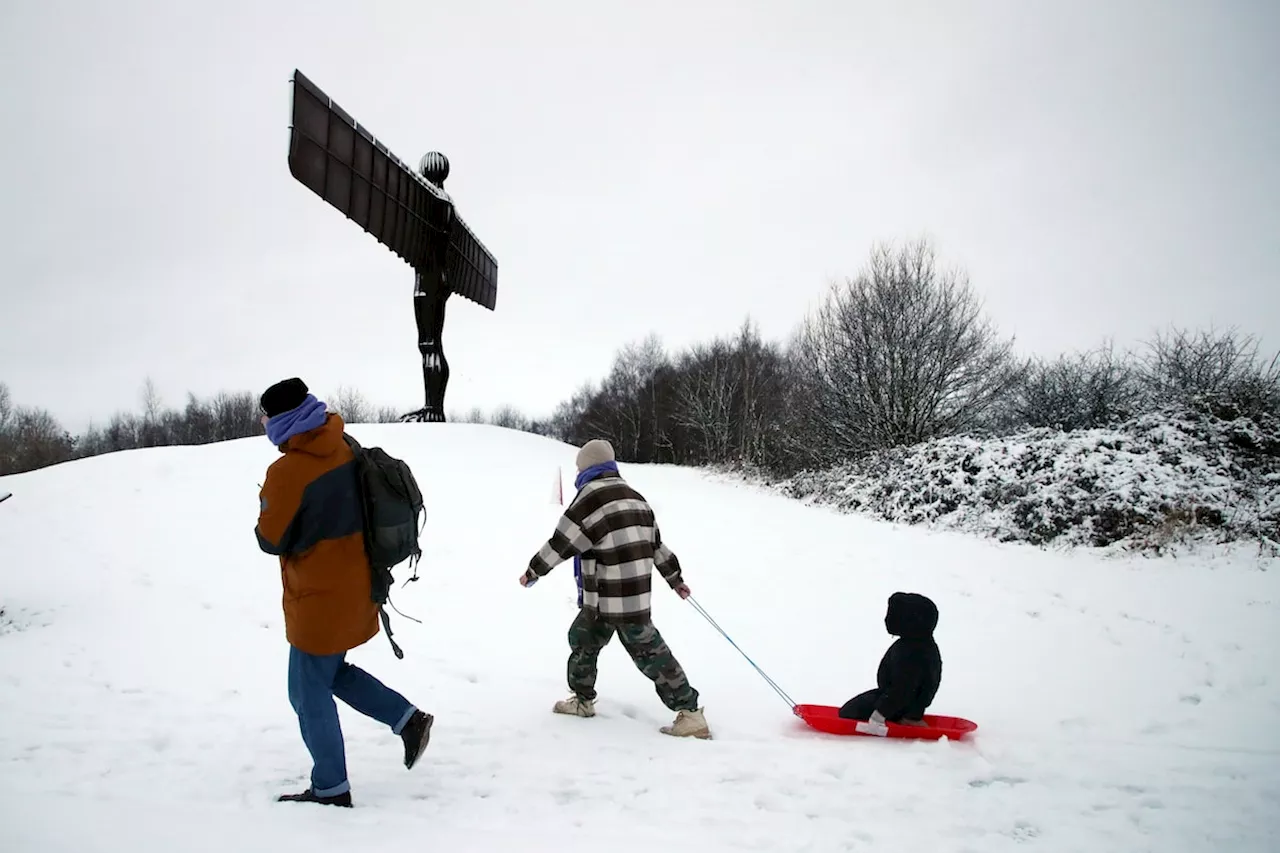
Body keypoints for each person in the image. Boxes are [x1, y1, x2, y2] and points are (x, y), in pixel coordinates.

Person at [254, 377, 434, 807]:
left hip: (318, 598)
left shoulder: (287, 471)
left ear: (280, 421)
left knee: (306, 690)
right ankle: (408, 720)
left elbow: (270, 538)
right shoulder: (345, 443)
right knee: (330, 672)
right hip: (361, 586)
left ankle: (331, 787)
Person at [519, 439, 711, 739]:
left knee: (650, 653)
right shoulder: (635, 498)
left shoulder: (589, 498)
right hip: (610, 597)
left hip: (616, 597)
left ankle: (690, 713)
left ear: (586, 469)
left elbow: (562, 542)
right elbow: (656, 545)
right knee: (583, 638)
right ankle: (582, 701)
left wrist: (534, 571)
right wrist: (675, 579)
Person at [837, 592, 943, 731]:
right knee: (853, 707)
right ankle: (907, 715)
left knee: (849, 712)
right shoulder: (918, 644)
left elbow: (904, 688)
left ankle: (908, 720)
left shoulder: (912, 652)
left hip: (902, 704)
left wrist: (880, 714)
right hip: (898, 699)